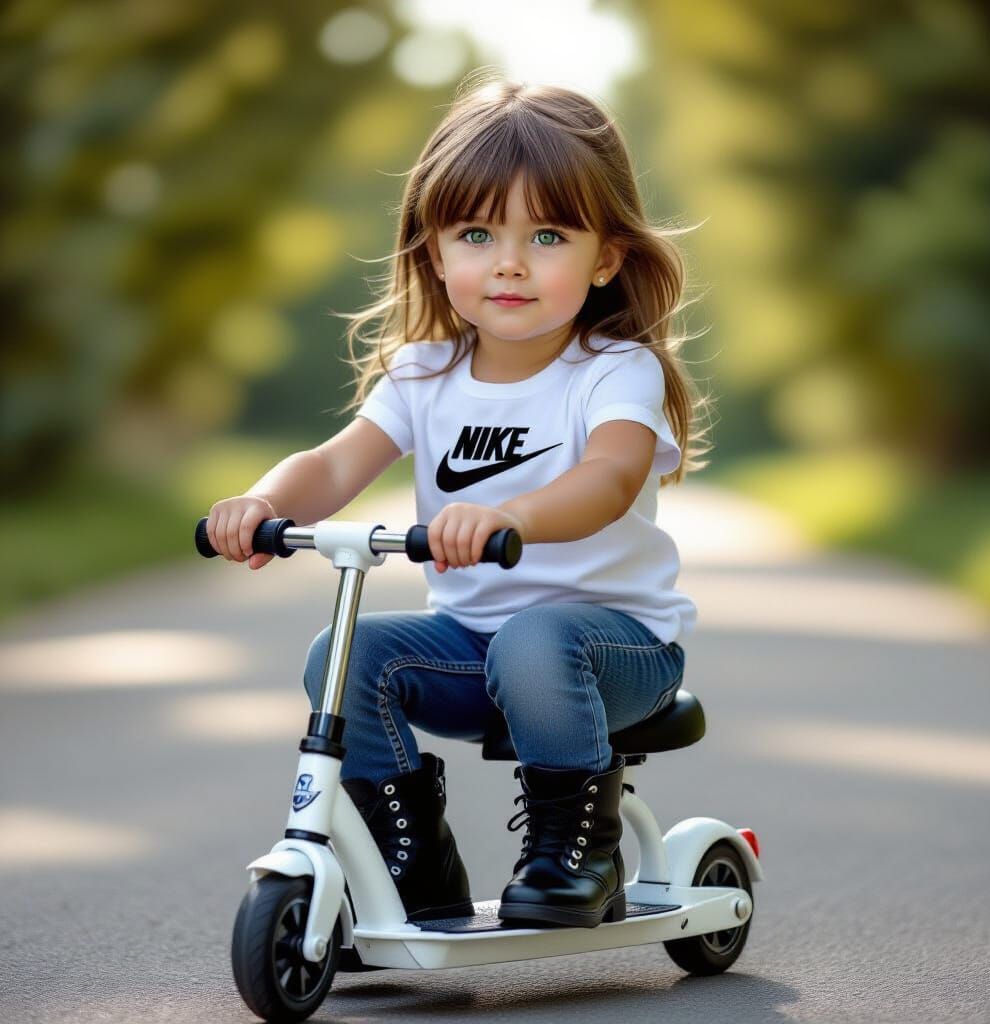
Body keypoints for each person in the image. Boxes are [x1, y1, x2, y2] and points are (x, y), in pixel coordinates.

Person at [204, 74, 710, 930]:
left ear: (606, 257)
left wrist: (514, 517)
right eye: (477, 233)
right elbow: (332, 466)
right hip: (476, 652)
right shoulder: (422, 375)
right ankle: (410, 860)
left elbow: (609, 479)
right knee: (346, 653)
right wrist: (258, 503)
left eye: (547, 234)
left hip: (614, 652)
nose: (509, 262)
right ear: (436, 253)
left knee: (536, 636)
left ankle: (575, 848)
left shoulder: (614, 369)